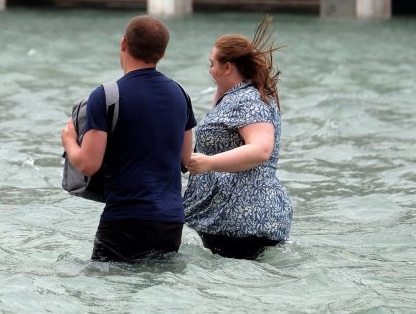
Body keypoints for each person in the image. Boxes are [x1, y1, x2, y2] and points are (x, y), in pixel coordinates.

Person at [61, 15, 196, 262]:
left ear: (123, 44)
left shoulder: (106, 95)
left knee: (104, 291)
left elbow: (89, 164)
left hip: (125, 218)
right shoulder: (180, 94)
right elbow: (186, 160)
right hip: (171, 221)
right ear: (162, 53)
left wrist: (69, 140)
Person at [183, 15, 293, 260]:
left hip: (243, 220)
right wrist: (221, 84)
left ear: (228, 67)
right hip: (240, 219)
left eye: (212, 64)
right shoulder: (243, 94)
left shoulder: (247, 100)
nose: (209, 70)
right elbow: (221, 121)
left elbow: (261, 150)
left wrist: (208, 163)